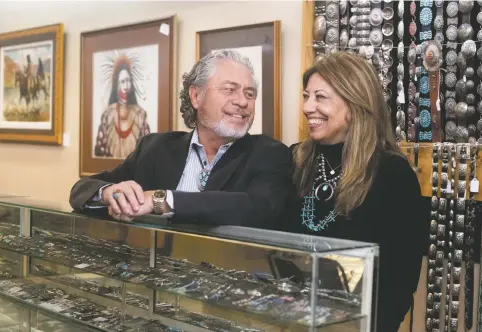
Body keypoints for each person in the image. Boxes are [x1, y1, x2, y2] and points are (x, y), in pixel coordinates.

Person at [70, 49, 292, 229]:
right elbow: (83, 188)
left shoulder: (269, 153)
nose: (242, 102)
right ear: (196, 96)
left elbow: (257, 208)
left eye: (250, 94)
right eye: (230, 90)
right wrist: (110, 192)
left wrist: (162, 200)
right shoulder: (156, 148)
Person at [285, 51, 428, 332]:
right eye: (306, 96)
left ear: (354, 104)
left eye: (320, 97)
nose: (307, 107)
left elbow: (399, 280)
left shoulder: (391, 174)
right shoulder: (295, 160)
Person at [94, 56, 150, 159]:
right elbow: (99, 152)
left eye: (128, 81)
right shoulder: (107, 115)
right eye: (122, 82)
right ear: (116, 85)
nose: (126, 86)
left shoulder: (140, 115)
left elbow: (147, 153)